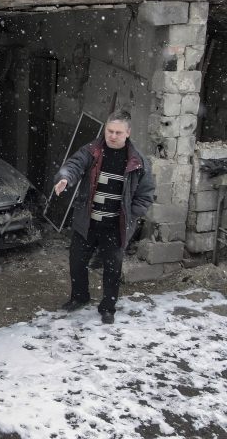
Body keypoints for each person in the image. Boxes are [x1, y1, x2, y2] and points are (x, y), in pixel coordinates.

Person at [53, 110, 154, 324]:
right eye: (110, 131)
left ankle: (108, 307)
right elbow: (73, 166)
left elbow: (146, 195)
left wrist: (132, 215)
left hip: (115, 226)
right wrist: (64, 178)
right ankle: (79, 297)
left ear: (128, 133)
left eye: (118, 132)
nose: (113, 136)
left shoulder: (138, 161)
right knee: (77, 262)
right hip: (87, 222)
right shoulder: (92, 151)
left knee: (112, 269)